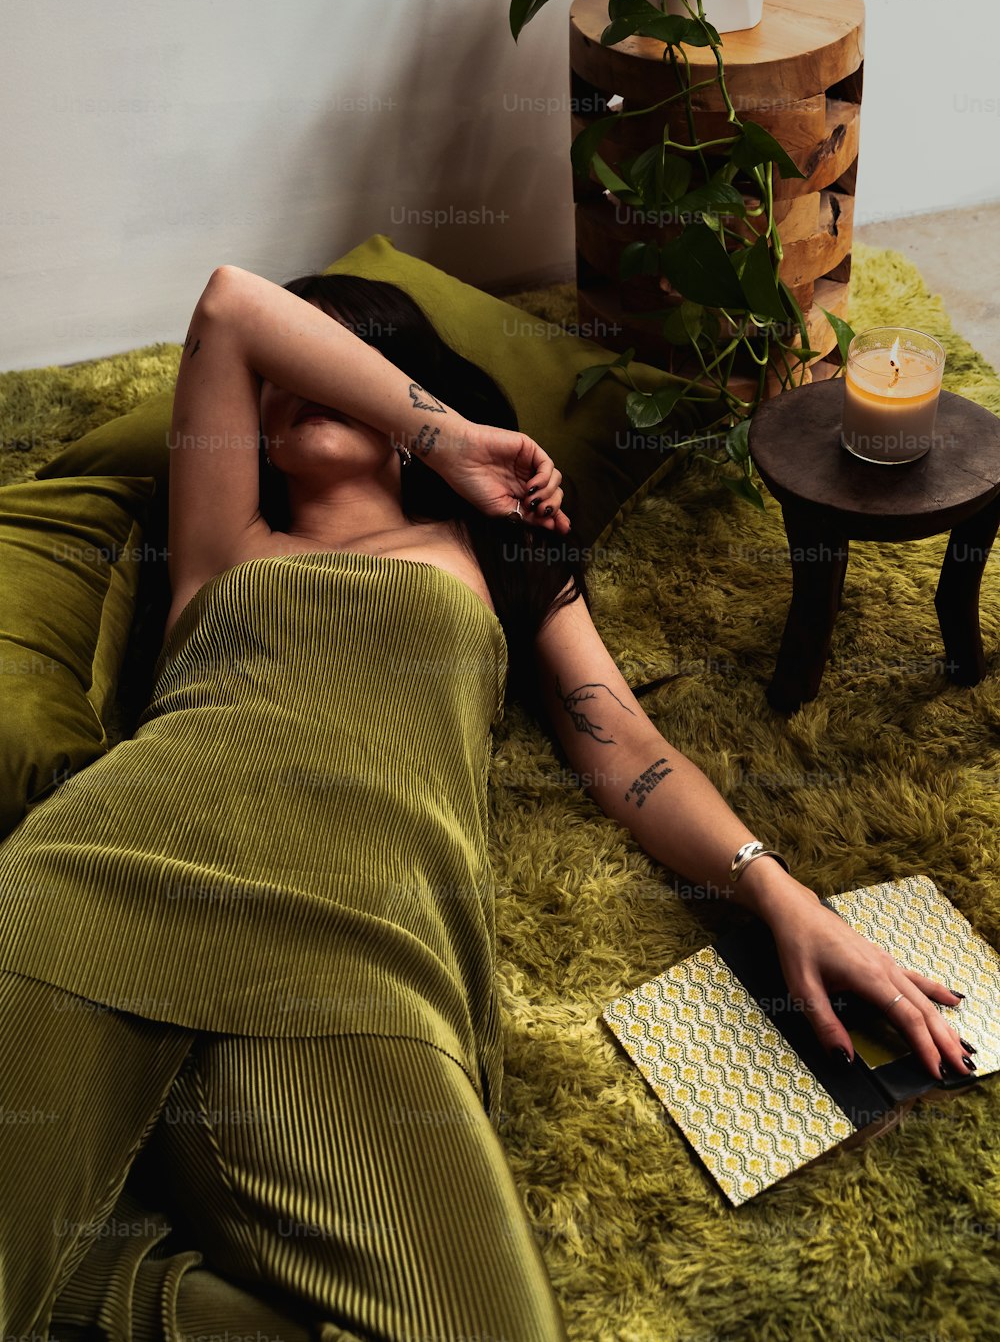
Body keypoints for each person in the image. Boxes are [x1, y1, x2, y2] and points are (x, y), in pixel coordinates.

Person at [0, 264, 974, 1342]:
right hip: (104, 877)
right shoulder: (223, 547)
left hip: (362, 952)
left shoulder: (496, 561)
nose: (299, 385)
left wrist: (779, 894)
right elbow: (232, 307)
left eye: (350, 357)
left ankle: (97, 1281)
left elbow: (632, 754)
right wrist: (445, 435)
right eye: (291, 373)